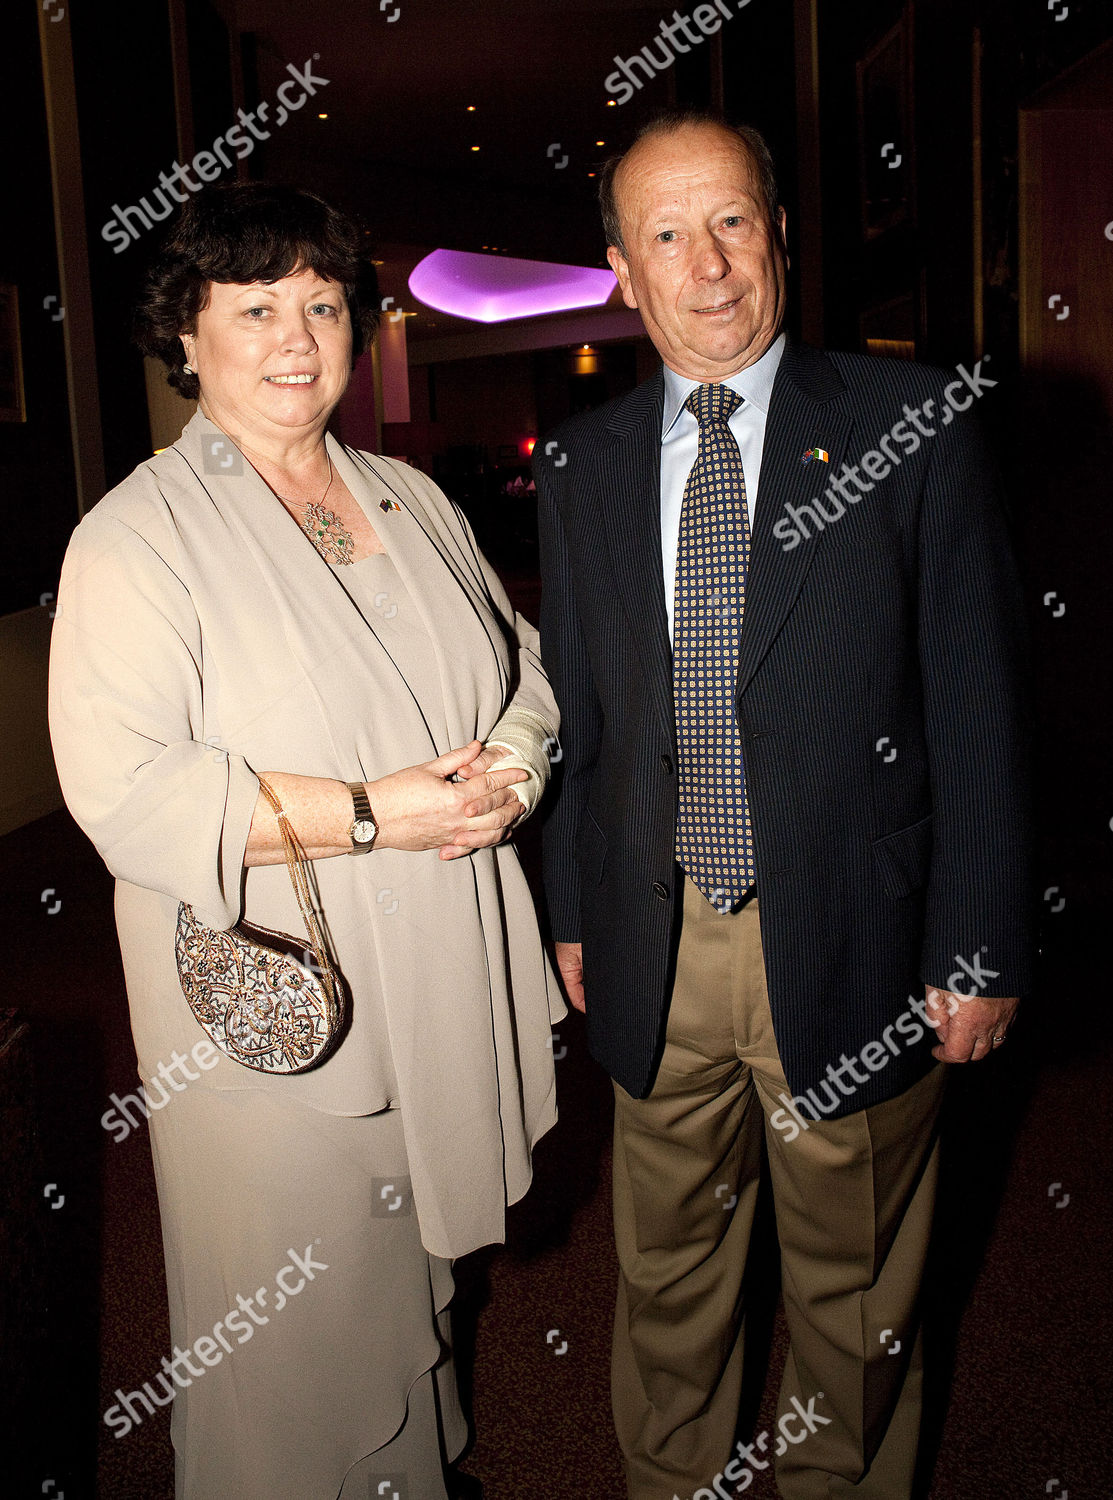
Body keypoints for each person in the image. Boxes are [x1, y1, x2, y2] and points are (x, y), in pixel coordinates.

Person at [534, 111, 1031, 1500]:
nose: (707, 266)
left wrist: (976, 941)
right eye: (667, 235)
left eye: (733, 222)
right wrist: (573, 915)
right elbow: (581, 719)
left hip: (858, 936)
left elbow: (981, 703)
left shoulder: (910, 422)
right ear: (622, 272)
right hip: (653, 934)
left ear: (781, 235)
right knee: (668, 1272)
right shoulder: (579, 468)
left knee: (852, 1279)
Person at [49, 182, 563, 1500]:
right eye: (256, 305)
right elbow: (126, 788)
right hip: (282, 1001)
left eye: (322, 303)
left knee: (414, 1298)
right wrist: (382, 816)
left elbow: (523, 663)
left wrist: (511, 760)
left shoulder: (408, 495)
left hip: (436, 963)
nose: (296, 335)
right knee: (290, 1329)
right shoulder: (136, 536)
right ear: (188, 334)